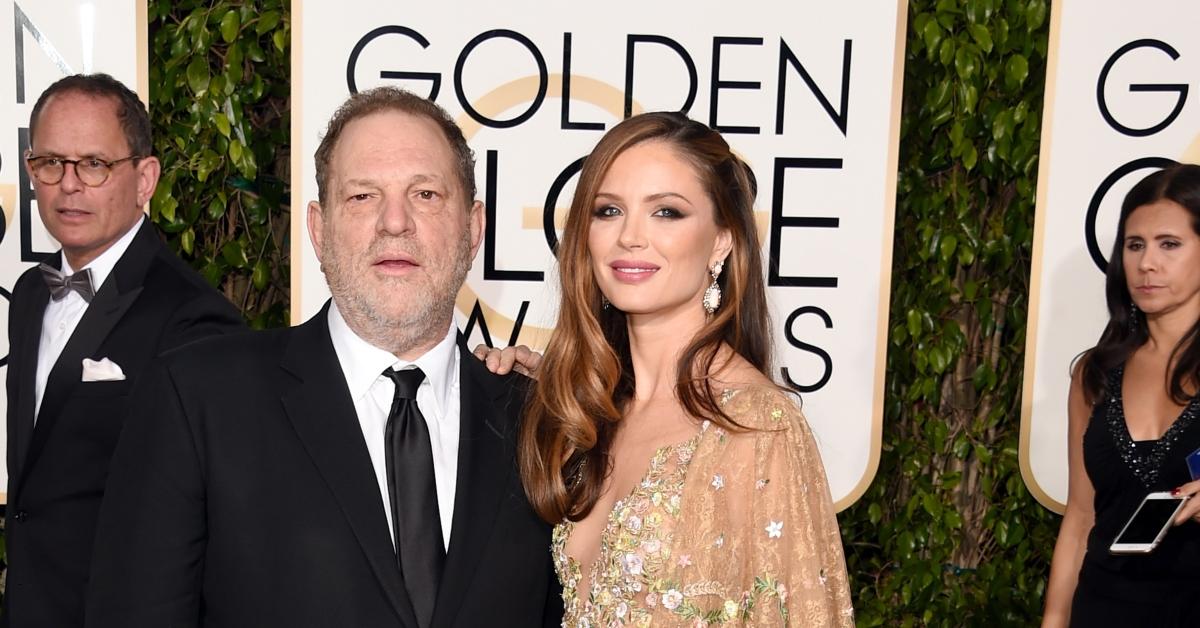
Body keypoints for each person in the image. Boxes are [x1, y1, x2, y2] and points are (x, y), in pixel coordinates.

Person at [85, 87, 560, 628]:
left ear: (473, 228)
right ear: (317, 228)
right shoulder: (200, 398)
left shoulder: (540, 419)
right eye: (362, 196)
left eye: (426, 194)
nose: (395, 222)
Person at [512, 112, 854, 626]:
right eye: (608, 211)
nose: (630, 236)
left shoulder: (759, 426)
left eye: (667, 213)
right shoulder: (587, 413)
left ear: (722, 240)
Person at [3, 73, 244, 628]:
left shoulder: (194, 317)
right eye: (50, 163)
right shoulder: (28, 297)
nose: (69, 185)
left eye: (94, 164)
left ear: (145, 179)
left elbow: (212, 521)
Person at [1043, 164, 1200, 626]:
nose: (1147, 263)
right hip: (1103, 607)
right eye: (1135, 245)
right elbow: (1080, 517)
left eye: (1169, 244)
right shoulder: (1094, 373)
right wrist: (1054, 620)